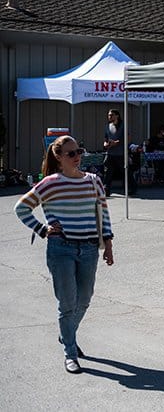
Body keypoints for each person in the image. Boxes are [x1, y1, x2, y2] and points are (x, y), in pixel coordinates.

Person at [14, 135, 114, 374]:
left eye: (79, 151)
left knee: (85, 299)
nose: (77, 156)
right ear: (58, 157)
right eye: (71, 153)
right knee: (67, 303)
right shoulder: (50, 183)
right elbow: (21, 208)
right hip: (61, 249)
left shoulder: (93, 181)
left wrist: (108, 245)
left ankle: (65, 334)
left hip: (89, 248)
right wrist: (42, 228)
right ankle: (70, 352)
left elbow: (104, 213)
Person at [103, 109, 137, 196]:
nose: (109, 117)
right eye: (109, 115)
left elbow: (128, 138)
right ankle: (106, 190)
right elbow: (106, 138)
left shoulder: (123, 126)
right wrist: (106, 144)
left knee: (125, 171)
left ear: (117, 116)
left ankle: (133, 187)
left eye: (111, 115)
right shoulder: (108, 126)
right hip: (110, 153)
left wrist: (116, 143)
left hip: (120, 153)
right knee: (108, 172)